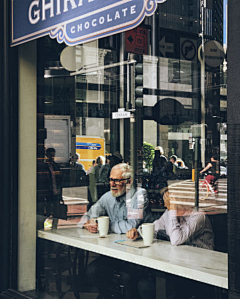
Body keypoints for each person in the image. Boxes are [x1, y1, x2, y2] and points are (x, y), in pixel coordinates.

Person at [78, 163, 151, 299]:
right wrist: (88, 223)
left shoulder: (140, 195)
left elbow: (131, 225)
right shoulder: (108, 196)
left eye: (117, 180)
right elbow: (87, 216)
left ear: (128, 182)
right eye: (111, 179)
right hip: (115, 251)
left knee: (127, 277)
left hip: (139, 254)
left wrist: (104, 226)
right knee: (92, 271)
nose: (112, 184)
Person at [127, 187, 215, 299]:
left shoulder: (198, 215)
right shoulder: (169, 213)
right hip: (180, 263)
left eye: (168, 202)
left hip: (201, 269)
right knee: (144, 284)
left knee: (150, 286)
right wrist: (138, 232)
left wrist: (173, 211)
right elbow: (155, 228)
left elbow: (176, 239)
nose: (165, 205)